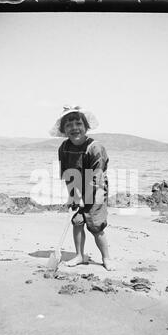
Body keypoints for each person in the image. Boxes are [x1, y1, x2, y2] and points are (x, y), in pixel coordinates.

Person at [50, 105, 114, 271]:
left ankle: (106, 258)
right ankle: (79, 255)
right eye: (69, 125)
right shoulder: (64, 148)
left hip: (96, 189)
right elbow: (66, 173)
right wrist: (73, 195)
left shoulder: (95, 148)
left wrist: (84, 198)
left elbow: (97, 178)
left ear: (86, 127)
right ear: (63, 130)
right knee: (77, 221)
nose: (74, 128)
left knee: (95, 225)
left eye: (78, 124)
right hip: (76, 187)